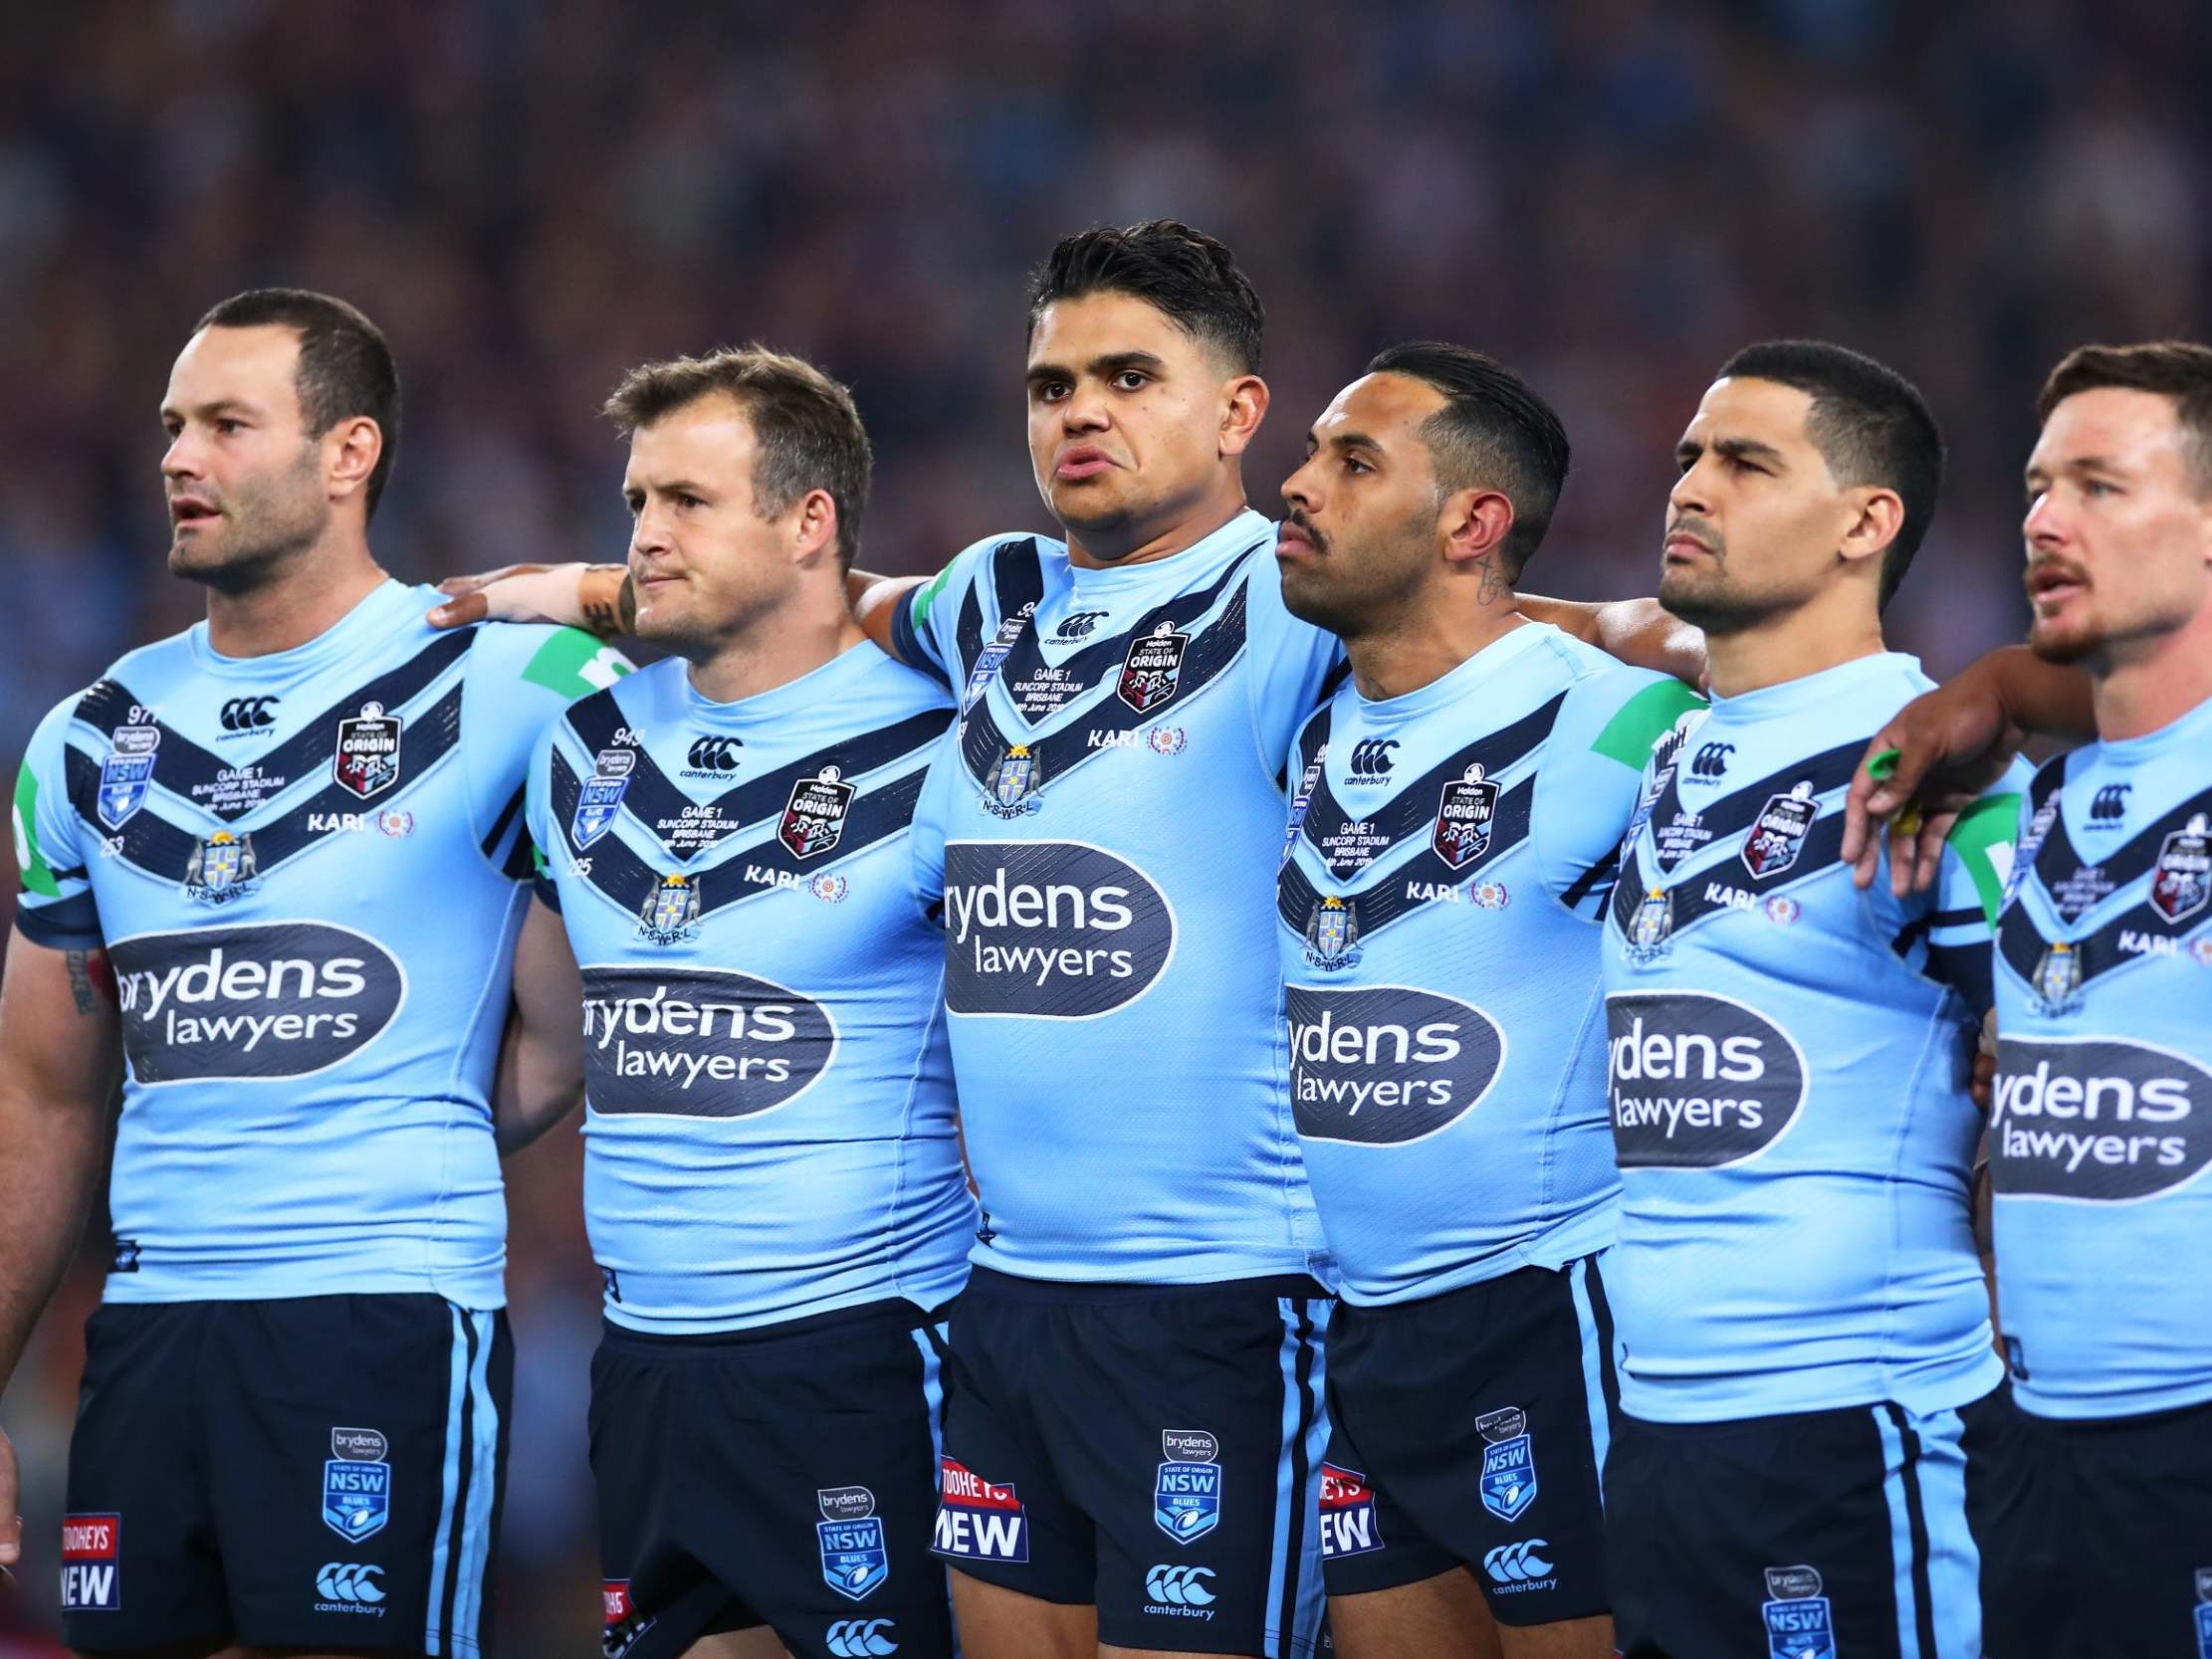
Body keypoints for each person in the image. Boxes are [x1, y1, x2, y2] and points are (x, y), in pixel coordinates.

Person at [426, 220, 1698, 1659]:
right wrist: (587, 593)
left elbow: (1554, 628)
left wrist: (1749, 661)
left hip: (1224, 1294)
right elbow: (822, 599)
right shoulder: (992, 600)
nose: (1081, 409)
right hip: (1010, 1306)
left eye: (1129, 376)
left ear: (1235, 414)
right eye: (1052, 384)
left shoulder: (1297, 606)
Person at [0, 290, 626, 1659]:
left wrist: (420, 1123)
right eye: (172, 425)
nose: (178, 456)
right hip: (153, 1331)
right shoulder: (89, 740)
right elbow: (42, 1094)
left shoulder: (520, 685)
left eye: (228, 423)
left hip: (379, 1312)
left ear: (350, 453)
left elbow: (577, 1034)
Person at [499, 346, 974, 1659]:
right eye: (637, 500)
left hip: (865, 1353)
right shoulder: (581, 744)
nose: (645, 535)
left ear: (808, 520)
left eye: (689, 502)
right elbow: (558, 1048)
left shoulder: (945, 746)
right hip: (645, 1359)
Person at [1269, 341, 1700, 1659]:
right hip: (1364, 1327)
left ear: (1473, 521)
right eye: (1308, 453)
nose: (1295, 485)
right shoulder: (1306, 716)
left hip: (1549, 1307)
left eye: (1351, 462)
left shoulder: (1618, 719)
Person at [1596, 340, 2025, 1659]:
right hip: (1653, 1431)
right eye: (1684, 459)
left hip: (1858, 1423)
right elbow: (1537, 635)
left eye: (1742, 461)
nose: (1690, 486)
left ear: (1864, 522)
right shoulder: (1641, 742)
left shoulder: (1934, 775)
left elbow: (2063, 1078)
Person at [1963, 340, 2212, 1659]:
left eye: (2100, 486)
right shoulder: (2042, 803)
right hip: (2032, 1446)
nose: (2043, 520)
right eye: (2034, 487)